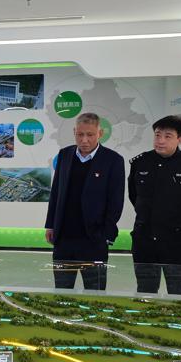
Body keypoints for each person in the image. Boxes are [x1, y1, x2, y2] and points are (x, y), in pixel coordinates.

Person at [128, 115, 181, 295]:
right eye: (157, 135)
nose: (161, 140)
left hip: (177, 242)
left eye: (168, 136)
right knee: (145, 291)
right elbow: (134, 196)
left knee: (178, 291)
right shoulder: (140, 162)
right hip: (145, 240)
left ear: (179, 139)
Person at [45, 112, 125, 290]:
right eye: (80, 134)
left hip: (94, 239)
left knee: (95, 291)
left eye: (90, 135)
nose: (84, 140)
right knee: (62, 290)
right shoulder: (65, 155)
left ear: (100, 133)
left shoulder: (113, 160)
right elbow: (56, 192)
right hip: (64, 238)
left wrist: (105, 235)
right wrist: (50, 225)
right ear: (74, 132)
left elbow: (116, 201)